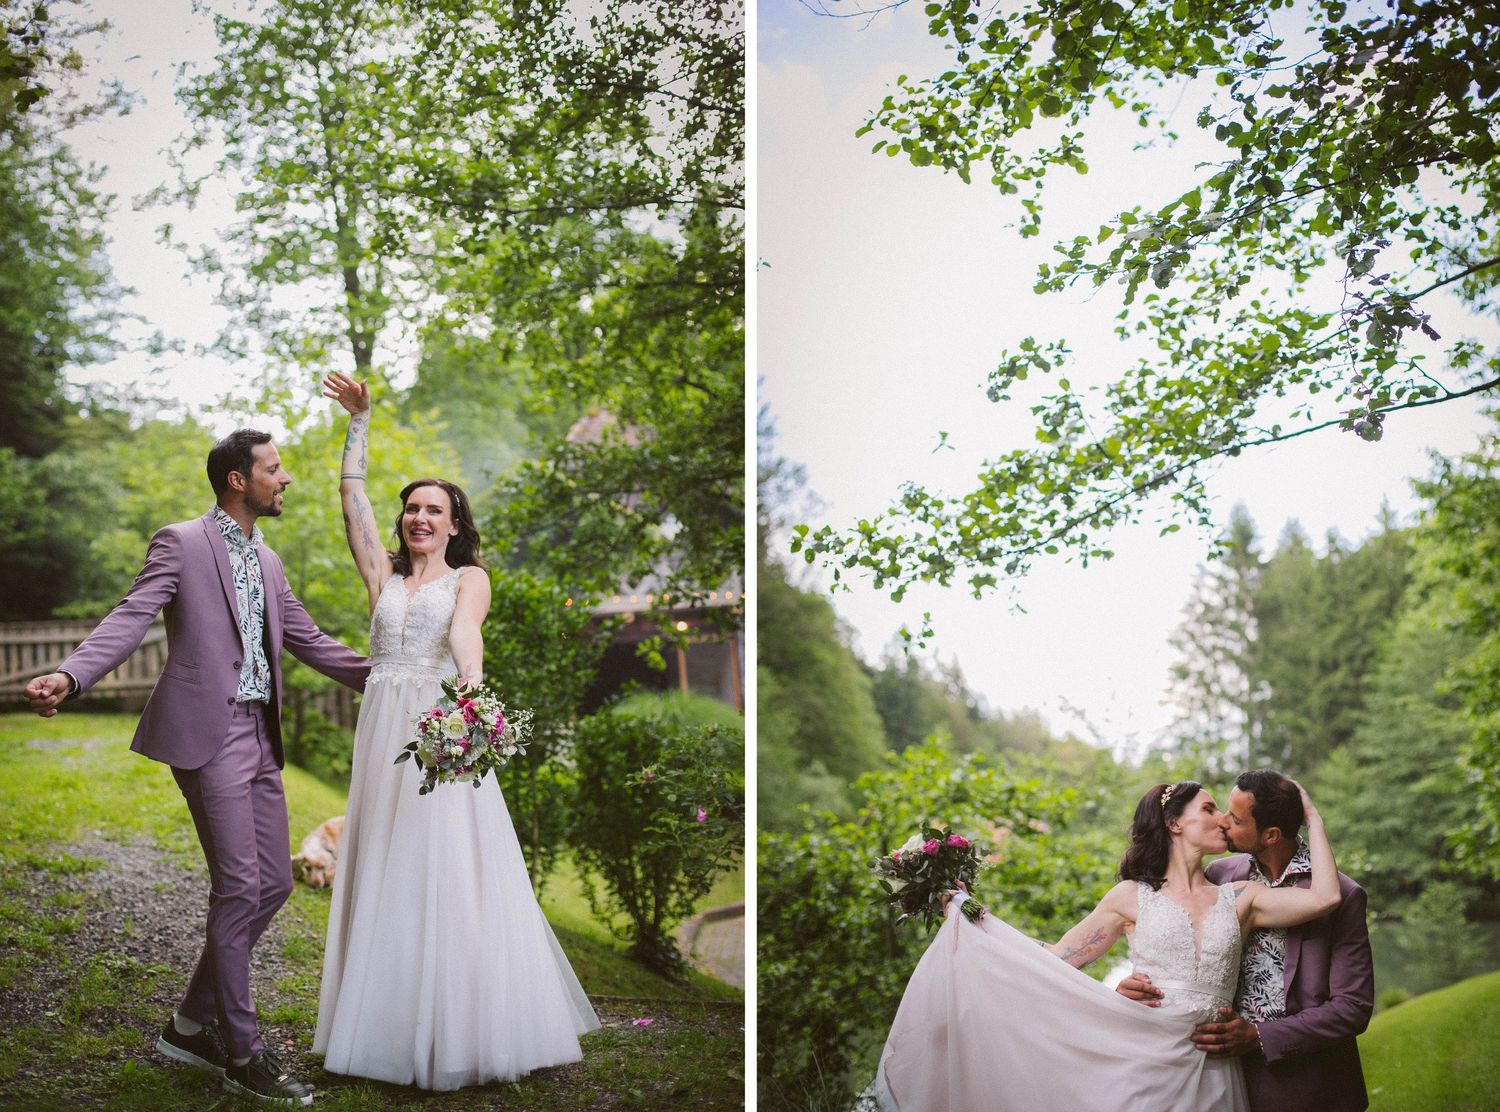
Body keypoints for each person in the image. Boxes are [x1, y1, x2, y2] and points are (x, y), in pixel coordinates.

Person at [23, 429, 371, 1106]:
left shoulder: (269, 560)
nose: (285, 478)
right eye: (274, 468)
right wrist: (71, 675)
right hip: (209, 736)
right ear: (238, 479)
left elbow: (307, 638)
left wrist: (392, 677)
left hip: (263, 736)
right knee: (239, 889)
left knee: (274, 885)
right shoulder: (181, 542)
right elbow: (131, 616)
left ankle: (187, 1026)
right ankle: (242, 1051)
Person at [311, 372, 599, 1090]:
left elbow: (467, 636)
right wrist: (359, 422)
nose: (419, 517)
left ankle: (459, 1027)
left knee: (441, 863)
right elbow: (351, 498)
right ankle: (380, 1023)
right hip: (381, 727)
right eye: (412, 508)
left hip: (435, 731)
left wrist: (469, 700)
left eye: (433, 510)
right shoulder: (381, 577)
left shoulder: (470, 579)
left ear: (454, 524)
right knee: (382, 857)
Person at [865, 779, 1344, 1112]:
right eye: (1208, 809)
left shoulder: (1241, 898)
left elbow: (1325, 897)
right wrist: (976, 919)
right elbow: (1055, 960)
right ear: (1174, 824)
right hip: (1146, 1065)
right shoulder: (1130, 897)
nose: (1223, 819)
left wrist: (1312, 819)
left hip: (1216, 1069)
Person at [1116, 769, 1374, 1111]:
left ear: (1270, 835)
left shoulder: (1343, 894)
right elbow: (1179, 941)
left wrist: (1260, 1036)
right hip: (1218, 1073)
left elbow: (1352, 1008)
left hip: (1308, 1084)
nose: (1222, 821)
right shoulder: (1220, 876)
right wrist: (1140, 983)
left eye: (1235, 819)